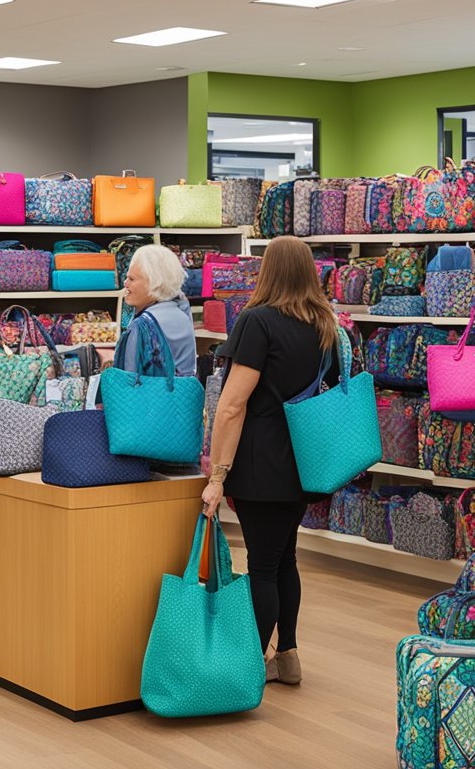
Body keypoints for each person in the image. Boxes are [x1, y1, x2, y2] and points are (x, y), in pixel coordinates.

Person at [200, 236, 340, 687]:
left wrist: (218, 475)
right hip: (304, 459)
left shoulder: (258, 322)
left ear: (268, 272)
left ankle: (251, 664)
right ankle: (289, 655)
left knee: (261, 563)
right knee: (284, 559)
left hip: (261, 460)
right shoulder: (326, 327)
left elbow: (232, 405)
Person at [119, 244, 196, 377]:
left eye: (131, 279)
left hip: (148, 396)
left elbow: (129, 379)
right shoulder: (182, 313)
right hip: (182, 395)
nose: (125, 283)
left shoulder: (142, 325)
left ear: (153, 282)